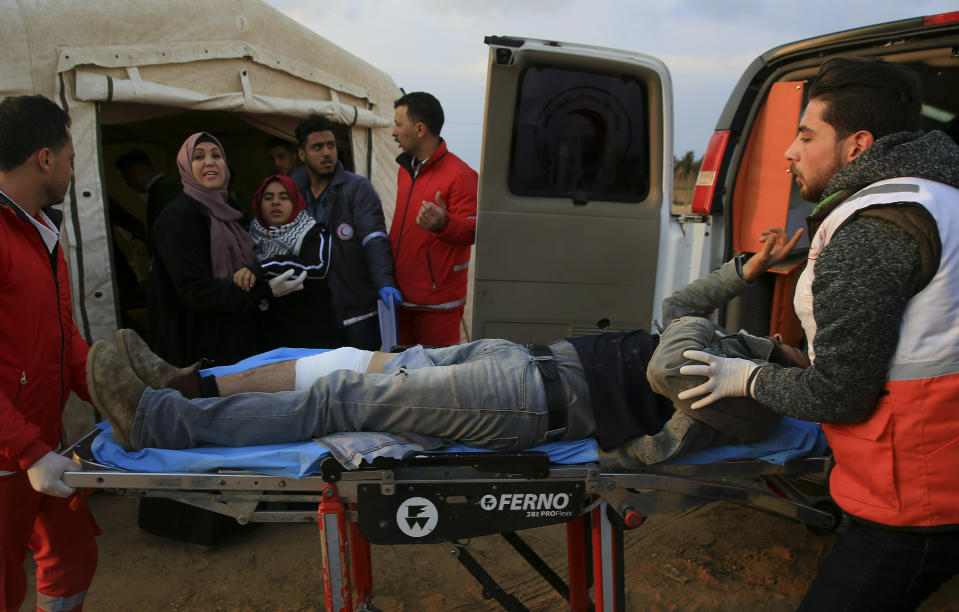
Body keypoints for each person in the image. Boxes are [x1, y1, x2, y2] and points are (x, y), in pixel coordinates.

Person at [88, 227, 806, 470]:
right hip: (526, 364)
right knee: (355, 367)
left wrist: (718, 339)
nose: (789, 328)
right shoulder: (753, 353)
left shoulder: (765, 401)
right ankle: (191, 387)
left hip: (535, 405)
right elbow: (679, 308)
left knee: (346, 399)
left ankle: (157, 422)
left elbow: (667, 365)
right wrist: (738, 273)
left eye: (802, 333)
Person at [677, 57, 959, 611]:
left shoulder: (874, 229)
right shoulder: (941, 198)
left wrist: (749, 378)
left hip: (916, 499)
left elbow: (841, 395)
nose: (789, 151)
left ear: (858, 145)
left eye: (806, 135)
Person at [144, 131, 306, 545]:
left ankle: (239, 515)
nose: (209, 162)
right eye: (198, 156)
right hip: (195, 345)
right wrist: (259, 291)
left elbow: (242, 269)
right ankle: (198, 525)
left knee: (232, 428)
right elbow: (194, 293)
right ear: (186, 167)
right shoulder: (179, 217)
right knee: (199, 435)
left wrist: (252, 280)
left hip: (231, 338)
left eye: (217, 154)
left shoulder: (230, 210)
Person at [0, 95, 99, 612]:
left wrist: (109, 388)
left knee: (72, 554)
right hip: (9, 454)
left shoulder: (41, 230)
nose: (70, 168)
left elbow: (63, 335)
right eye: (69, 157)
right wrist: (28, 451)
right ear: (44, 158)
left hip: (42, 442)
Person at [291, 114, 400, 350]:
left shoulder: (357, 188)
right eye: (317, 147)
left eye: (331, 145)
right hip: (313, 311)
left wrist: (384, 281)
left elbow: (375, 238)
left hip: (357, 310)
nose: (327, 153)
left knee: (359, 381)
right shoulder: (292, 193)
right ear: (302, 154)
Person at [390, 92, 478, 346]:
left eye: (398, 124)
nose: (393, 132)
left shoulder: (462, 175)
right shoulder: (405, 170)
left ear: (420, 129)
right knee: (400, 377)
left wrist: (444, 223)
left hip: (437, 306)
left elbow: (473, 231)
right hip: (400, 300)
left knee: (436, 380)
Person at [233, 174, 339, 351]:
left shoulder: (314, 233)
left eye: (284, 197)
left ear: (296, 202)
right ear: (259, 203)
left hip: (312, 340)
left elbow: (316, 267)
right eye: (268, 198)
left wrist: (263, 268)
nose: (275, 203)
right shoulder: (246, 236)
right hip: (266, 340)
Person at [114, 148, 180, 254]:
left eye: (127, 178)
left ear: (134, 172)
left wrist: (149, 249)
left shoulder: (164, 192)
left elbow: (174, 234)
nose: (128, 185)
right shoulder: (162, 189)